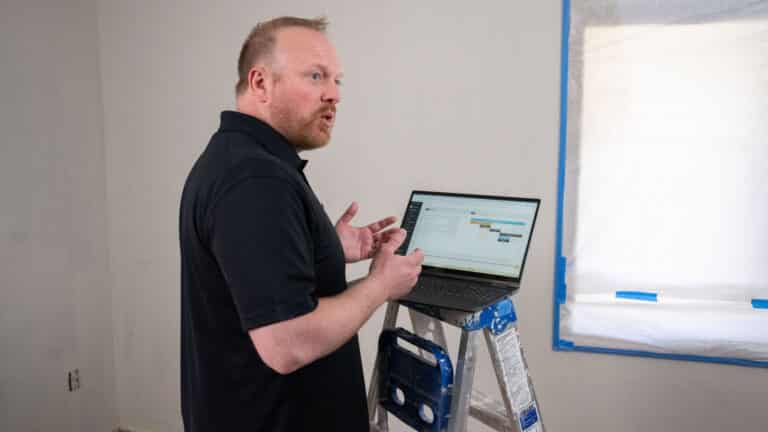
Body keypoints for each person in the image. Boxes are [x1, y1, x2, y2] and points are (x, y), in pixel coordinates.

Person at [179, 16, 424, 432]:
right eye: (315, 76)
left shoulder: (240, 159)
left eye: (336, 80)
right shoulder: (255, 179)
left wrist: (324, 246)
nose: (333, 94)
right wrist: (380, 284)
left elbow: (259, 282)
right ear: (260, 84)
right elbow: (286, 344)